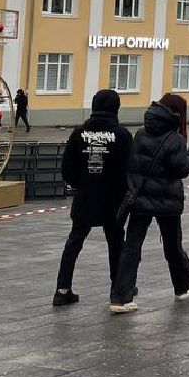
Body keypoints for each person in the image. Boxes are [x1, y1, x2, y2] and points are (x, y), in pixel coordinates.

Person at [109, 93, 189, 313]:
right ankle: (183, 285)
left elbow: (134, 165)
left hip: (140, 198)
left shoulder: (141, 133)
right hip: (166, 200)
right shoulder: (175, 138)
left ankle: (120, 298)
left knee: (132, 247)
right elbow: (180, 169)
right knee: (172, 245)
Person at [53, 89, 132, 306]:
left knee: (74, 242)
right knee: (116, 242)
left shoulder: (78, 134)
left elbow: (67, 168)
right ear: (116, 108)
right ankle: (117, 288)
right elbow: (129, 169)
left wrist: (82, 185)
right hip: (113, 199)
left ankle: (62, 289)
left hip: (85, 197)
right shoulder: (122, 135)